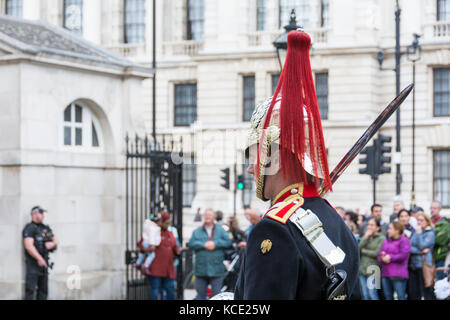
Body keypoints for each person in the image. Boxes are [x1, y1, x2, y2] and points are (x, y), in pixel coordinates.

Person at [234, 30, 360, 300]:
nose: (250, 168)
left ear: (275, 157)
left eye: (254, 156)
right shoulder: (335, 221)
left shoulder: (274, 229)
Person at [188, 208, 232, 300]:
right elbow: (191, 243)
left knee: (217, 296)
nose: (207, 217)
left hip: (216, 270)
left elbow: (228, 242)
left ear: (214, 217)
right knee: (200, 297)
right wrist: (204, 245)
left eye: (210, 215)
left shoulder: (221, 230)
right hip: (201, 269)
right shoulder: (197, 231)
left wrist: (215, 244)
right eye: (206, 215)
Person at [147, 211, 186, 300]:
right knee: (156, 291)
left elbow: (175, 247)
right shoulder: (153, 233)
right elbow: (143, 245)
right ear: (161, 222)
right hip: (156, 269)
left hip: (168, 269)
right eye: (166, 223)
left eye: (169, 223)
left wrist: (179, 251)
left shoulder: (170, 233)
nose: (168, 225)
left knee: (170, 290)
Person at [23, 206, 58, 300]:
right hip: (33, 265)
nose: (42, 215)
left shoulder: (45, 227)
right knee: (30, 290)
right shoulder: (29, 228)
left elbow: (55, 239)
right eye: (41, 213)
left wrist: (53, 244)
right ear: (34, 214)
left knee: (43, 291)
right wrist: (39, 258)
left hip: (44, 264)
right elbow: (28, 246)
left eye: (43, 213)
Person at [377, 221, 411, 300]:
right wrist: (382, 257)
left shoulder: (404, 240)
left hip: (398, 274)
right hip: (386, 273)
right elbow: (379, 255)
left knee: (400, 296)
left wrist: (390, 257)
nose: (388, 230)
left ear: (397, 230)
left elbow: (403, 255)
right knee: (388, 296)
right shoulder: (386, 241)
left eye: (390, 228)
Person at [408, 212, 436, 300]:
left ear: (427, 222)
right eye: (418, 220)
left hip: (424, 266)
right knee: (414, 291)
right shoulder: (416, 232)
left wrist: (419, 234)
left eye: (421, 220)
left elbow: (422, 245)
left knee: (426, 290)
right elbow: (409, 247)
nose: (419, 222)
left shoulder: (430, 233)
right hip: (413, 265)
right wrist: (419, 252)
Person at [359, 218, 385, 300]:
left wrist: (364, 251)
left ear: (378, 228)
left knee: (372, 294)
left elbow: (377, 253)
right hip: (362, 269)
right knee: (364, 295)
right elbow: (357, 249)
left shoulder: (381, 238)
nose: (369, 227)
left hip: (374, 269)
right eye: (368, 225)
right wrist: (365, 238)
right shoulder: (365, 236)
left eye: (372, 225)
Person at [430, 200, 449, 281]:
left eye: (435, 208)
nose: (432, 210)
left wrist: (428, 238)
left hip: (439, 256)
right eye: (431, 208)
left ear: (440, 209)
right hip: (428, 258)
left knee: (439, 281)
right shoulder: (428, 221)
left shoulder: (445, 223)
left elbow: (440, 240)